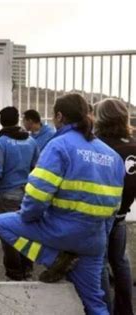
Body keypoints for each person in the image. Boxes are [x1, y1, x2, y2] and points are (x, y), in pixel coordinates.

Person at [0, 94, 125, 315]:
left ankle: (57, 261)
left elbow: (37, 194)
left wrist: (29, 218)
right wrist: (99, 236)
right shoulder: (111, 155)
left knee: (3, 223)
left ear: (59, 116)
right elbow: (114, 208)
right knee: (95, 302)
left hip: (60, 230)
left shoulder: (58, 146)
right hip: (94, 240)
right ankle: (66, 263)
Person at [0, 106, 39, 280]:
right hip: (27, 195)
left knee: (9, 236)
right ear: (17, 120)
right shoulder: (31, 142)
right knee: (28, 233)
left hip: (5, 197)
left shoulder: (0, 144)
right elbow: (36, 169)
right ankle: (28, 269)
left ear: (1, 122)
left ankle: (15, 273)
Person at [94, 98, 135, 315]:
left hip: (97, 218)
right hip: (120, 216)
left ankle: (104, 311)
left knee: (99, 264)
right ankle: (126, 310)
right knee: (120, 262)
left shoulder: (95, 146)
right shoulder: (133, 146)